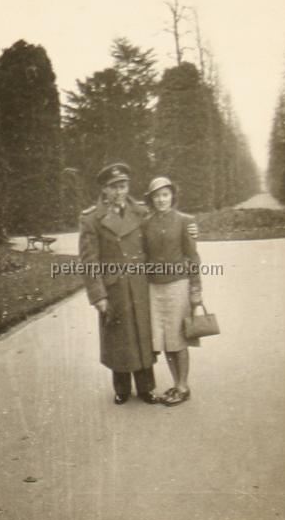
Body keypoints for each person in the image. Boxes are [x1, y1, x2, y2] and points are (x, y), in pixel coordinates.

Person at [79, 162, 159, 405]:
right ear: (104, 190)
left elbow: (161, 234)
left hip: (140, 284)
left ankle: (146, 388)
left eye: (123, 185)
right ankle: (122, 388)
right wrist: (98, 295)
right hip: (114, 288)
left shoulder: (142, 211)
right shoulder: (91, 218)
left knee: (142, 334)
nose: (119, 191)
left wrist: (190, 228)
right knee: (118, 336)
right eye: (113, 187)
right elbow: (89, 260)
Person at [142, 177, 202, 406]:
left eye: (165, 194)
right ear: (151, 199)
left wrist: (196, 290)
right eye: (156, 196)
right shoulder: (145, 223)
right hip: (154, 287)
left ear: (172, 196)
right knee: (166, 340)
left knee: (179, 337)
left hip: (178, 285)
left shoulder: (186, 221)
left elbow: (193, 257)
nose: (161, 199)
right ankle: (176, 384)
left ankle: (183, 386)